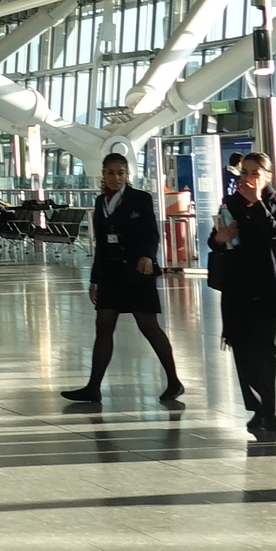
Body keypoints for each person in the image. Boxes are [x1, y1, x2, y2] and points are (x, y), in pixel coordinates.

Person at [70, 150, 187, 407]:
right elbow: (100, 243)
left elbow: (151, 232)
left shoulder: (140, 199)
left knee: (148, 326)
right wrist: (95, 279)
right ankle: (93, 387)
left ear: (127, 174)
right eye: (111, 173)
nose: (116, 178)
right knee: (103, 325)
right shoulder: (101, 203)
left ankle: (174, 380)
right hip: (111, 274)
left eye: (121, 173)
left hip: (137, 272)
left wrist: (147, 255)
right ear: (103, 175)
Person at [205, 149, 276, 433]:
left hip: (265, 284)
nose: (249, 178)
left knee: (263, 349)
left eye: (255, 173)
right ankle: (256, 406)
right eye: (244, 172)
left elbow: (275, 231)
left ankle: (270, 409)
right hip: (235, 283)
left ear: (267, 176)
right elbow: (216, 238)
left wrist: (256, 204)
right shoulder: (230, 202)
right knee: (240, 345)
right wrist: (219, 238)